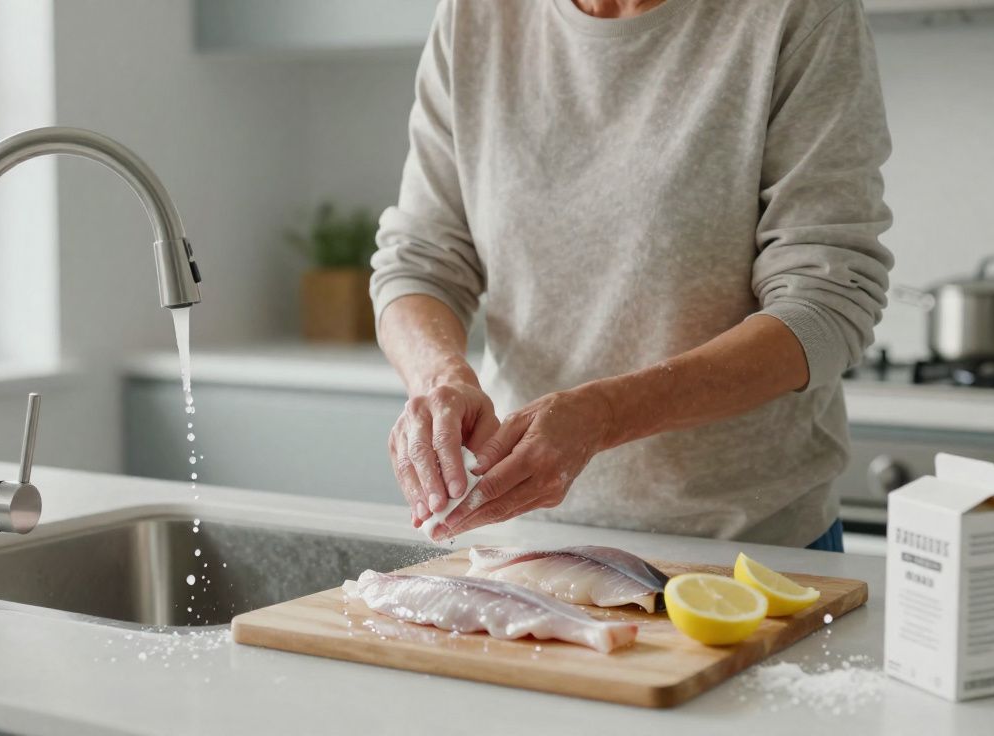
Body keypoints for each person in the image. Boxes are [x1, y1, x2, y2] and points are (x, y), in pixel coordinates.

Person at [370, 0, 893, 552]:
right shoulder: (474, 15)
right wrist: (439, 379)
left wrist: (606, 415)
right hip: (524, 544)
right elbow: (420, 261)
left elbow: (826, 303)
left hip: (749, 549)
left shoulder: (798, 13)